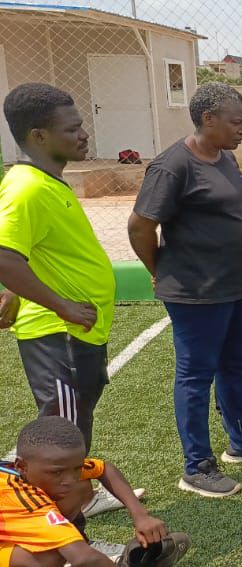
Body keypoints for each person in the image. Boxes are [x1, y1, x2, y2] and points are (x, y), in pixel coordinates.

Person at [127, 82, 242, 499]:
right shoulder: (172, 166)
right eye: (236, 122)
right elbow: (140, 226)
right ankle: (197, 466)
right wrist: (158, 269)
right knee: (196, 375)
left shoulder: (225, 157)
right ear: (207, 118)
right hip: (196, 291)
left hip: (238, 286)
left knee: (234, 365)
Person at [0, 83, 130, 517]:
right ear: (38, 136)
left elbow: (30, 252)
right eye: (72, 129)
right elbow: (4, 257)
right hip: (60, 334)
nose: (83, 134)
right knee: (60, 440)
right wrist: (63, 306)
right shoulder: (26, 189)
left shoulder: (48, 182)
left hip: (77, 332)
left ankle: (76, 506)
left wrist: (14, 292)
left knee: (74, 428)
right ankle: (56, 530)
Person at [1, 416, 189, 567]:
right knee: (49, 556)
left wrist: (141, 516)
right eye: (57, 472)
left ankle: (76, 541)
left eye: (77, 468)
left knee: (76, 490)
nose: (70, 479)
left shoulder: (34, 470)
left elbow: (104, 469)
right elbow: (83, 558)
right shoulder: (23, 500)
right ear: (21, 466)